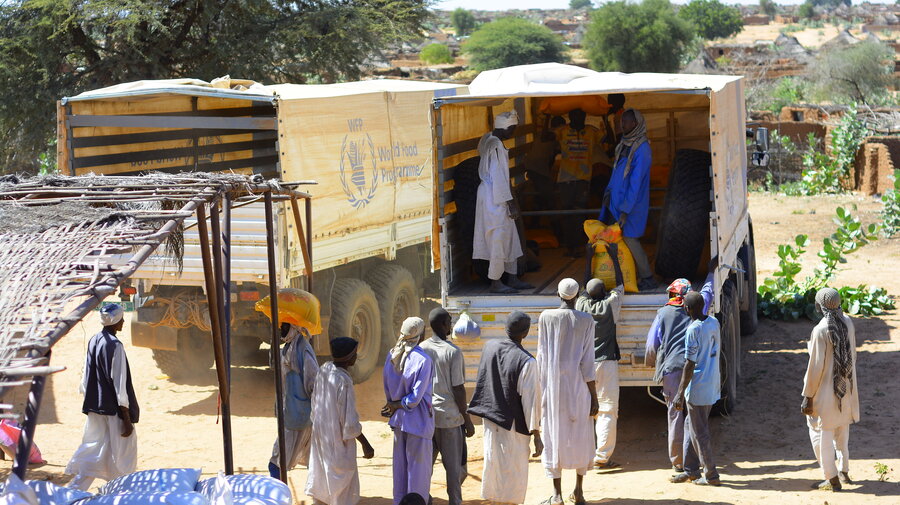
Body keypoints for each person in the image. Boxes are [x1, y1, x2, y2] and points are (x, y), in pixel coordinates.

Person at [468, 311, 543, 505]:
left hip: (490, 417)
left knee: (493, 464)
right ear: (525, 333)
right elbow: (530, 401)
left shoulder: (489, 346)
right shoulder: (527, 361)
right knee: (513, 470)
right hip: (512, 424)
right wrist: (536, 434)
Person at [537, 279, 599, 505]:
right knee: (581, 435)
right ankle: (579, 492)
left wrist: (541, 389)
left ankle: (557, 495)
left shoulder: (546, 317)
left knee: (554, 435)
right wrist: (594, 397)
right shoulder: (586, 320)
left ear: (559, 294)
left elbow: (541, 356)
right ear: (578, 295)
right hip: (579, 387)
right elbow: (588, 363)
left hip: (553, 389)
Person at [644, 272, 714, 472]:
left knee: (675, 415)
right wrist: (710, 272)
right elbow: (708, 291)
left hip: (672, 370)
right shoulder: (697, 307)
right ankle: (696, 461)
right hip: (695, 369)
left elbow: (652, 345)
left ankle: (678, 463)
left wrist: (652, 365)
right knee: (695, 416)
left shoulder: (662, 314)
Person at [66, 303, 139, 491]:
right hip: (113, 409)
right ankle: (119, 492)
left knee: (96, 449)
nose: (123, 321)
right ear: (115, 322)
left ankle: (74, 490)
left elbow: (85, 375)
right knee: (122, 453)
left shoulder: (94, 340)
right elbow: (119, 383)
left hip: (95, 405)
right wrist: (126, 417)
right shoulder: (115, 346)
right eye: (121, 319)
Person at [801, 288, 859, 492]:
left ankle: (831, 478)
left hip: (825, 393)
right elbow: (853, 355)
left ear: (819, 306)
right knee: (842, 431)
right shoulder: (848, 322)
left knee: (820, 434)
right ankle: (844, 470)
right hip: (846, 389)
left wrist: (807, 396)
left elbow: (815, 367)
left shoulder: (821, 329)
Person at [306, 337, 375, 505]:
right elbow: (349, 423)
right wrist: (365, 444)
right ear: (348, 357)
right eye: (354, 354)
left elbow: (314, 402)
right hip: (336, 438)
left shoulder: (324, 370)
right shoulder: (343, 381)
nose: (356, 357)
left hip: (321, 434)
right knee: (340, 483)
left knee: (323, 475)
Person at [575, 243, 625, 469]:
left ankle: (583, 454)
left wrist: (588, 258)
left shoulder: (581, 304)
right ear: (605, 292)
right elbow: (622, 284)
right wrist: (614, 258)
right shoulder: (610, 305)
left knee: (586, 409)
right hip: (606, 362)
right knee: (607, 409)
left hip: (584, 364)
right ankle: (602, 457)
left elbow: (586, 284)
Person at [419, 308, 474, 505]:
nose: (451, 325)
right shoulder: (453, 352)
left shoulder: (422, 348)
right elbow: (458, 389)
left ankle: (423, 498)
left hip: (427, 416)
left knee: (426, 467)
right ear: (443, 325)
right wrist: (467, 420)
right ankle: (455, 502)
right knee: (454, 470)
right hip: (449, 419)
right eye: (450, 321)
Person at [474, 110, 533, 293]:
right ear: (507, 128)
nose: (513, 132)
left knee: (510, 235)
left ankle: (512, 277)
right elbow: (498, 177)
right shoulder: (496, 145)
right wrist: (511, 203)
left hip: (493, 194)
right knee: (498, 237)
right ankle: (496, 281)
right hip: (494, 197)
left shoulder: (488, 138)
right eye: (513, 129)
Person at [599, 108, 655, 291]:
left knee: (630, 239)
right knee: (615, 238)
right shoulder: (624, 143)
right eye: (622, 121)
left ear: (636, 124)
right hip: (615, 201)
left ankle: (647, 277)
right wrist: (608, 193)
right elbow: (617, 173)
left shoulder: (643, 148)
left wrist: (625, 209)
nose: (623, 124)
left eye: (627, 121)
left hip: (631, 204)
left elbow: (636, 182)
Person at [671, 291, 722, 486]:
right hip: (711, 383)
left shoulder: (693, 329)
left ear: (687, 309)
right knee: (689, 426)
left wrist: (679, 394)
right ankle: (690, 470)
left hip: (698, 387)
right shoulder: (713, 322)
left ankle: (711, 475)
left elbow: (689, 364)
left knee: (699, 432)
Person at [383, 317, 434, 505]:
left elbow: (388, 391)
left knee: (400, 471)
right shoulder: (423, 360)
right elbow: (414, 399)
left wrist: (394, 404)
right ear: (420, 336)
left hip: (399, 422)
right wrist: (400, 404)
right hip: (418, 422)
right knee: (418, 474)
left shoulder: (391, 356)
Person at [268, 323, 318, 480]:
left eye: (284, 326)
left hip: (299, 416)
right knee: (312, 459)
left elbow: (313, 382)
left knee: (277, 462)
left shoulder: (303, 350)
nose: (281, 329)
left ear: (294, 327)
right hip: (292, 413)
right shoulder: (288, 346)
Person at [555, 108, 603, 257]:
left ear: (585, 117)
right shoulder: (562, 131)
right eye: (574, 116)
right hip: (565, 179)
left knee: (580, 213)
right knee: (567, 214)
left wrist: (605, 117)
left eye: (580, 116)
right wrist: (547, 116)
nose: (577, 118)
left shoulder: (592, 131)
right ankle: (569, 247)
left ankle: (579, 247)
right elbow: (544, 137)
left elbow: (610, 140)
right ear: (569, 117)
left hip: (583, 178)